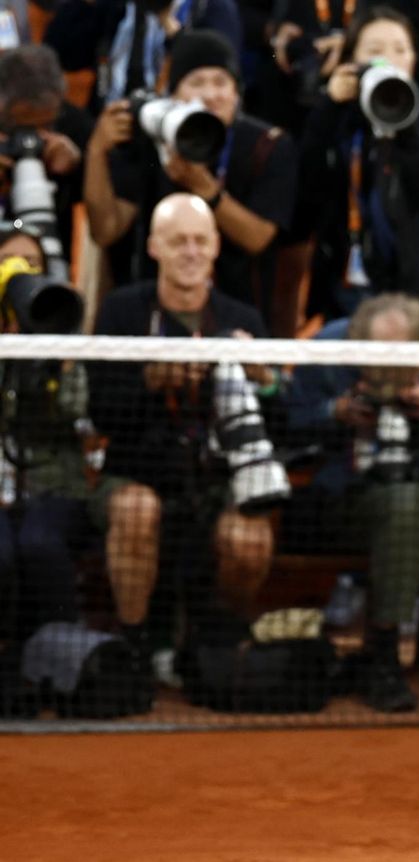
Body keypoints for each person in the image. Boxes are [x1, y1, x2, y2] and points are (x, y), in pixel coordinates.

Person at [284, 294, 419, 711]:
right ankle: (383, 657)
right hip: (351, 499)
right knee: (407, 504)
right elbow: (289, 423)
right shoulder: (329, 349)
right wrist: (336, 412)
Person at [85, 193, 277, 661]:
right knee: (135, 510)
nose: (190, 252)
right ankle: (133, 650)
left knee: (249, 538)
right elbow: (101, 411)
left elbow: (279, 422)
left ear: (215, 246)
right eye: (177, 242)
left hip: (219, 479)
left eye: (199, 241)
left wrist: (263, 381)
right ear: (154, 247)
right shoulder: (122, 312)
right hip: (137, 472)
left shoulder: (242, 320)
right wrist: (151, 379)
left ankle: (219, 642)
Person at [84, 29, 299, 329]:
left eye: (221, 82)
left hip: (239, 315)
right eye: (196, 83)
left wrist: (203, 187)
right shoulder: (151, 139)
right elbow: (106, 229)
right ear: (174, 95)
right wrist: (96, 152)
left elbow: (258, 238)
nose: (210, 95)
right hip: (151, 316)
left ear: (236, 93)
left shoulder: (268, 146)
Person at [294, 6, 419, 323]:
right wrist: (328, 106)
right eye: (375, 51)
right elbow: (309, 187)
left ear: (413, 60)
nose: (390, 59)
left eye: (400, 49)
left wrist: (402, 117)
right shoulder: (338, 120)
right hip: (347, 290)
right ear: (352, 61)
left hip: (415, 295)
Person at [0, 224, 92, 641]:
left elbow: (75, 409)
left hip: (53, 487)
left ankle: (65, 653)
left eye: (31, 266)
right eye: (8, 266)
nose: (21, 276)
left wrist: (59, 356)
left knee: (39, 545)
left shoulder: (61, 329)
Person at [45, 0, 245, 106]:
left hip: (173, 125)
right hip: (112, 118)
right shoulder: (116, 6)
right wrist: (85, 4)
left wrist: (169, 25)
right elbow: (63, 56)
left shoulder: (210, 7)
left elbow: (218, 74)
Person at [0, 46, 93, 269]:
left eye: (46, 126)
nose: (32, 138)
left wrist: (78, 167)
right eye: (20, 127)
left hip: (49, 256)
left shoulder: (76, 127)